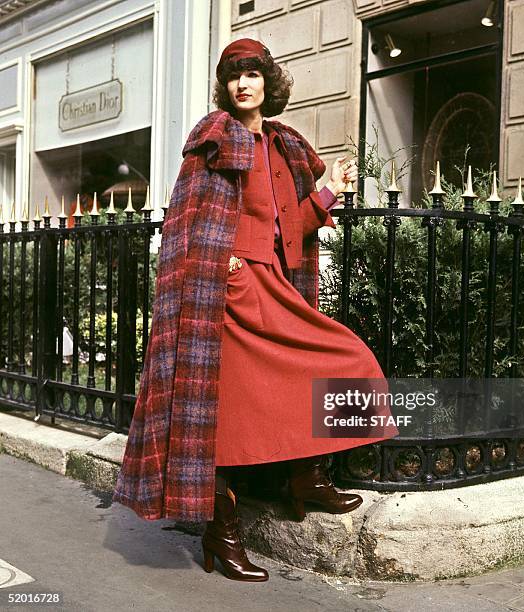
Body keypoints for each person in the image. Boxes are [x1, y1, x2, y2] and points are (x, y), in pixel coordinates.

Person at [112, 38, 399, 583]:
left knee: (344, 357)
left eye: (253, 74)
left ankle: (304, 478)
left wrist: (330, 192)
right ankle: (221, 532)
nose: (244, 84)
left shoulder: (280, 147)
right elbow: (186, 221)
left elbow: (288, 229)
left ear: (269, 82)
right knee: (224, 416)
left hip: (272, 284)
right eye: (234, 75)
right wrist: (224, 267)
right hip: (228, 292)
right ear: (226, 86)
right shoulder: (213, 141)